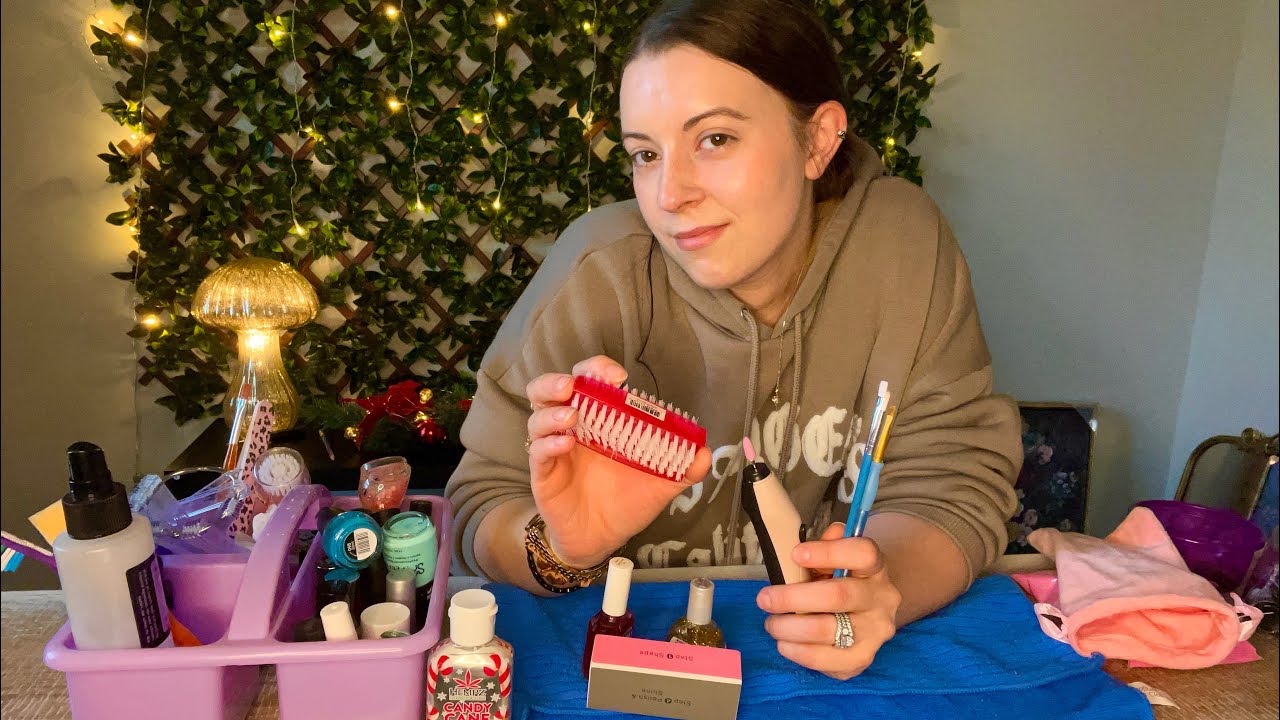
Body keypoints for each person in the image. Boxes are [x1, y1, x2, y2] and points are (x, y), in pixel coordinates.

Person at [445, 0, 1022, 680]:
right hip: (622, 661)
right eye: (644, 154)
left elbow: (953, 483)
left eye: (714, 139)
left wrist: (877, 587)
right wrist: (562, 547)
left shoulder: (903, 247)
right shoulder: (597, 271)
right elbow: (479, 507)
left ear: (818, 140)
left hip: (830, 669)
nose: (669, 194)